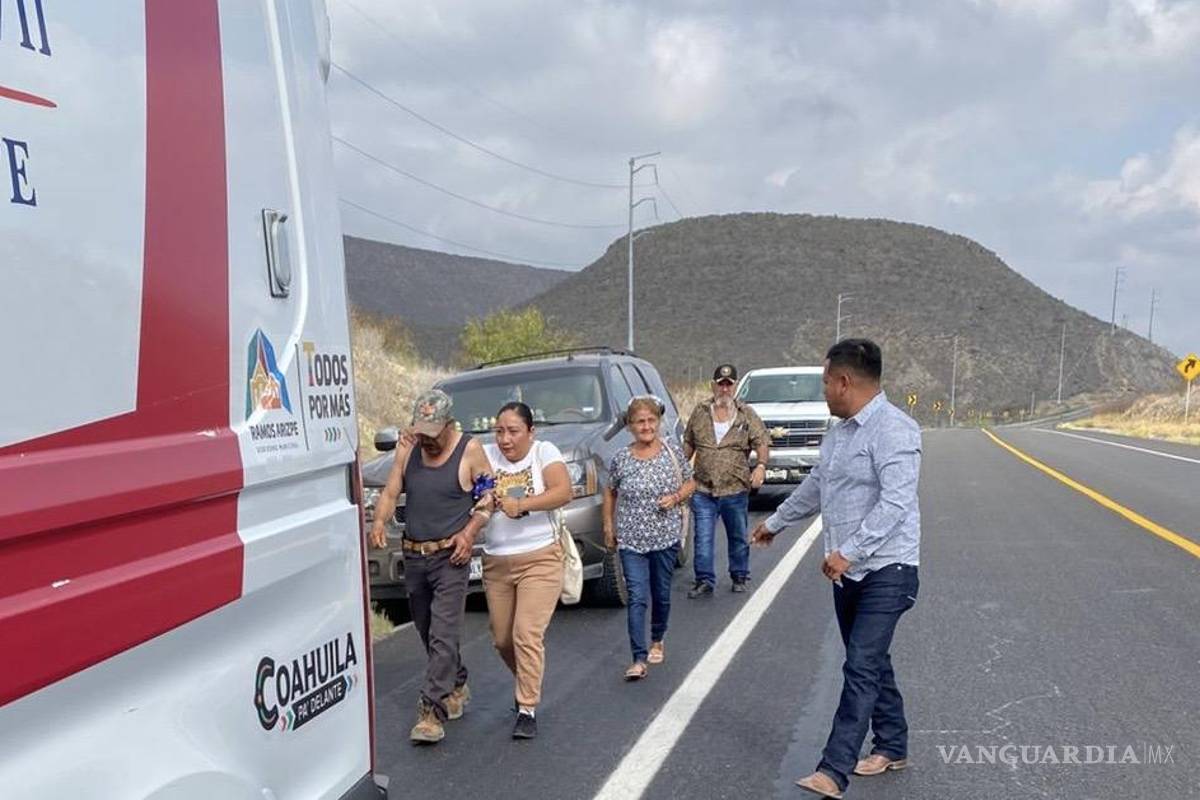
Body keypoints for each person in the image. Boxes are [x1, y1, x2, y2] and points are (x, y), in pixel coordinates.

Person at [750, 339, 922, 799]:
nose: (824, 389)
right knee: (872, 661)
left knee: (861, 664)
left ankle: (834, 769)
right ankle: (893, 744)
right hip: (849, 572)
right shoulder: (839, 433)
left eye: (826, 381)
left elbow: (896, 502)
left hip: (889, 568)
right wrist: (775, 523)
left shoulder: (895, 430)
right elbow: (816, 486)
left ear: (845, 381)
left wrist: (850, 549)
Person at [369, 389, 494, 745]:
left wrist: (469, 533)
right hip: (414, 555)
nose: (427, 438)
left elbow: (488, 498)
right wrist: (380, 522)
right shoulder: (409, 448)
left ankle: (431, 711)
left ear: (449, 423)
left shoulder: (469, 450)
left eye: (433, 431)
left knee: (443, 631)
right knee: (425, 629)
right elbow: (392, 491)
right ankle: (455, 681)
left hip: (451, 556)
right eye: (421, 429)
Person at [479, 401, 572, 740]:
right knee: (503, 639)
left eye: (514, 431)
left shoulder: (544, 452)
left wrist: (523, 505)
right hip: (496, 561)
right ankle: (527, 680)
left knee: (526, 634)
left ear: (530, 432)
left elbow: (563, 491)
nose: (505, 439)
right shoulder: (486, 454)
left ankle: (527, 708)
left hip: (539, 557)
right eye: (500, 430)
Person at [603, 396, 695, 680]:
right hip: (631, 540)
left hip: (664, 538)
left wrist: (676, 497)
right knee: (637, 597)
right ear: (630, 426)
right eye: (640, 421)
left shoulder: (672, 453)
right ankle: (638, 658)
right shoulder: (621, 458)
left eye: (651, 420)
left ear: (658, 422)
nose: (646, 426)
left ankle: (657, 637)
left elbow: (692, 482)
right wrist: (608, 525)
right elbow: (610, 490)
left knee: (661, 594)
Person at [683, 363, 770, 597]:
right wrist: (681, 472)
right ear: (713, 386)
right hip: (703, 489)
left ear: (735, 387)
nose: (724, 389)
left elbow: (761, 441)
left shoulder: (746, 414)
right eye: (720, 385)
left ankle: (739, 576)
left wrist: (760, 466)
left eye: (729, 385)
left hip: (735, 488)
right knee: (702, 537)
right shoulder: (700, 412)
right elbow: (689, 442)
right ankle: (704, 580)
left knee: (737, 535)